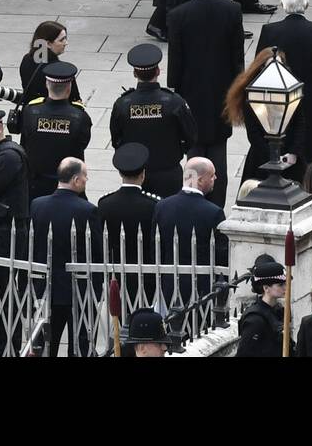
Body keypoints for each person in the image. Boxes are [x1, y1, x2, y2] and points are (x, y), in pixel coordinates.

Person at [166, 0, 244, 207]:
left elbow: (176, 61)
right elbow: (237, 57)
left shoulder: (179, 15)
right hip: (223, 93)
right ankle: (217, 204)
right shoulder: (232, 10)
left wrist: (174, 88)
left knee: (194, 149)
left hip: (191, 93)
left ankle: (193, 200)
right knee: (219, 148)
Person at [259, 0, 312, 164]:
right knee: (310, 156)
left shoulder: (270, 31)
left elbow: (260, 68)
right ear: (307, 4)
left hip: (279, 102)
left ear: (283, 3)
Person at [30, 157, 101, 356]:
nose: (86, 180)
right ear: (76, 180)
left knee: (45, 343)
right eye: (85, 177)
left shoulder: (37, 205)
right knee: (80, 345)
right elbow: (97, 252)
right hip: (78, 289)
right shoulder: (87, 210)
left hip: (46, 288)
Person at [109, 44, 197, 197]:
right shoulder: (174, 102)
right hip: (168, 173)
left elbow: (116, 140)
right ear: (158, 71)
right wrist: (177, 151)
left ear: (135, 73)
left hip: (135, 174)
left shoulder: (123, 104)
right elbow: (191, 136)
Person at [152, 157, 228, 304]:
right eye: (212, 175)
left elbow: (155, 248)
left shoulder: (162, 207)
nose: (216, 178)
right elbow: (221, 254)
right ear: (199, 180)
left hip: (169, 284)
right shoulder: (214, 212)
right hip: (202, 288)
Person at [227, 47, 304, 185]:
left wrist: (293, 152)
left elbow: (300, 122)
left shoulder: (291, 87)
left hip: (291, 156)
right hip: (262, 157)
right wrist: (272, 157)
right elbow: (253, 133)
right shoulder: (251, 93)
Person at [18, 61, 93, 201]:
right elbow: (82, 143)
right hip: (69, 184)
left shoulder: (30, 111)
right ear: (69, 87)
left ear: (47, 85)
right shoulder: (79, 116)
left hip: (36, 185)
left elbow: (25, 142)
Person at [97, 142, 161, 286]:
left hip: (115, 276)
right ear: (143, 174)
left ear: (120, 173)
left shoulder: (105, 203)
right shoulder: (154, 205)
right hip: (147, 275)